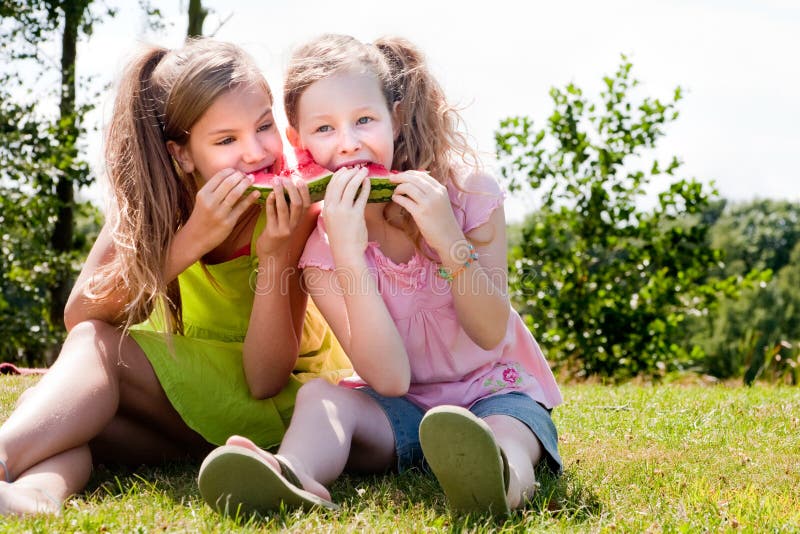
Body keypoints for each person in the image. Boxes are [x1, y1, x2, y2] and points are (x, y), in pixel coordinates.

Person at [198, 34, 562, 517]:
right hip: (399, 411)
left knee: (507, 431)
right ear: (298, 142)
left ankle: (501, 478)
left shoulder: (469, 195)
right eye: (324, 129)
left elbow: (491, 332)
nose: (348, 144)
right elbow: (389, 379)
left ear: (397, 115)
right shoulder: (322, 246)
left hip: (496, 390)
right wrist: (348, 255)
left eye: (364, 120)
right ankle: (292, 473)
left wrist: (448, 240)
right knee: (321, 397)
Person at [0, 38, 350, 516]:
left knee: (100, 350)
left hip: (274, 413)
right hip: (189, 408)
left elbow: (265, 380)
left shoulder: (291, 208)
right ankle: (36, 497)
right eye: (226, 140)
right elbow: (80, 313)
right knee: (80, 419)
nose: (255, 152)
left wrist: (272, 254)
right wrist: (191, 240)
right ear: (181, 155)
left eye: (264, 127)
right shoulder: (151, 203)